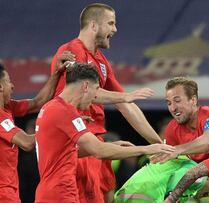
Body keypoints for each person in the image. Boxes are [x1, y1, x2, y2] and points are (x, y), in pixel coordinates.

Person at [50, 3, 163, 202]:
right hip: (79, 142)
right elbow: (82, 91)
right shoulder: (71, 51)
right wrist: (125, 96)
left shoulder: (101, 62)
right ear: (93, 25)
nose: (115, 29)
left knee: (107, 198)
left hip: (98, 143)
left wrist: (159, 144)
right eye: (111, 23)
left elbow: (126, 106)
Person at [34, 63, 175, 203]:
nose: (95, 97)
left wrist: (113, 145)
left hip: (52, 192)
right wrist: (146, 149)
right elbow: (99, 150)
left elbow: (65, 151)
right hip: (60, 194)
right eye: (96, 90)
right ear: (85, 86)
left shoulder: (51, 108)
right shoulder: (64, 111)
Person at [0, 51, 74, 203]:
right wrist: (61, 129)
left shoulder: (2, 107)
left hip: (3, 192)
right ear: (0, 86)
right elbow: (27, 143)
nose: (12, 86)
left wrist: (55, 74)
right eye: (8, 82)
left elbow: (37, 102)